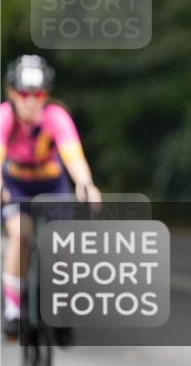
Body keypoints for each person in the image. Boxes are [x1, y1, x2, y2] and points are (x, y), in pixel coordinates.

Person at [1, 55, 101, 339]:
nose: (31, 101)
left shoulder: (56, 117)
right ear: (11, 93)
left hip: (51, 184)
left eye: (38, 94)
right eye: (23, 94)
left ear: (46, 94)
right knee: (20, 234)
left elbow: (73, 156)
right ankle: (12, 309)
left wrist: (86, 184)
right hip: (15, 185)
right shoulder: (4, 117)